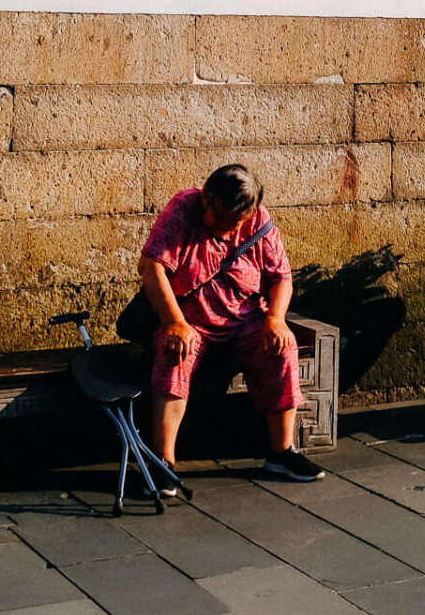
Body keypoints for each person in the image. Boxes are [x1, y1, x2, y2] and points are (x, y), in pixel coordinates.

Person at [137, 162, 325, 484]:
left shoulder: (258, 220)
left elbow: (281, 276)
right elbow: (151, 268)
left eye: (236, 221)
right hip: (190, 321)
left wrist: (276, 319)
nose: (228, 227)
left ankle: (282, 453)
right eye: (223, 219)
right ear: (207, 199)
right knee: (174, 352)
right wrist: (174, 323)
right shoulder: (183, 209)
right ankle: (162, 461)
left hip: (244, 321)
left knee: (283, 345)